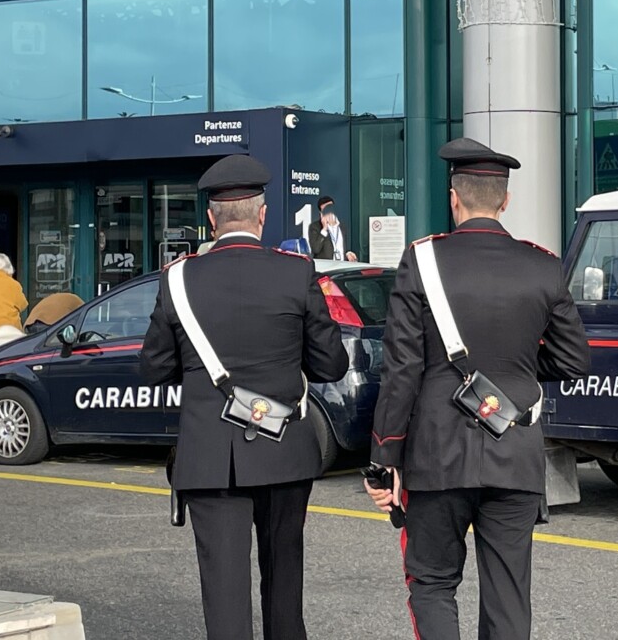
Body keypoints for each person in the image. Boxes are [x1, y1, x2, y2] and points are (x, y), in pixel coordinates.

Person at [364, 139, 591, 640]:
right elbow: (574, 361)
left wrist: (384, 459)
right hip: (514, 450)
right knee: (509, 597)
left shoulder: (422, 260)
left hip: (436, 454)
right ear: (505, 201)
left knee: (431, 584)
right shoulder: (542, 265)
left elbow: (401, 371)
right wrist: (518, 372)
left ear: (454, 198)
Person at [140, 154, 348, 640]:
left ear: (211, 219)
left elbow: (154, 368)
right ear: (262, 214)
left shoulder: (178, 278)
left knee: (224, 598)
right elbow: (331, 365)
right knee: (284, 588)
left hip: (211, 455)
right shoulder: (296, 272)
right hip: (285, 450)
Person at [308, 195, 357, 261]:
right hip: (326, 266)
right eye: (325, 210)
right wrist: (324, 229)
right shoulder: (315, 227)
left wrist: (348, 253)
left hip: (341, 265)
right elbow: (315, 249)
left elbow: (344, 248)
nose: (329, 212)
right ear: (321, 213)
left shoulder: (342, 227)